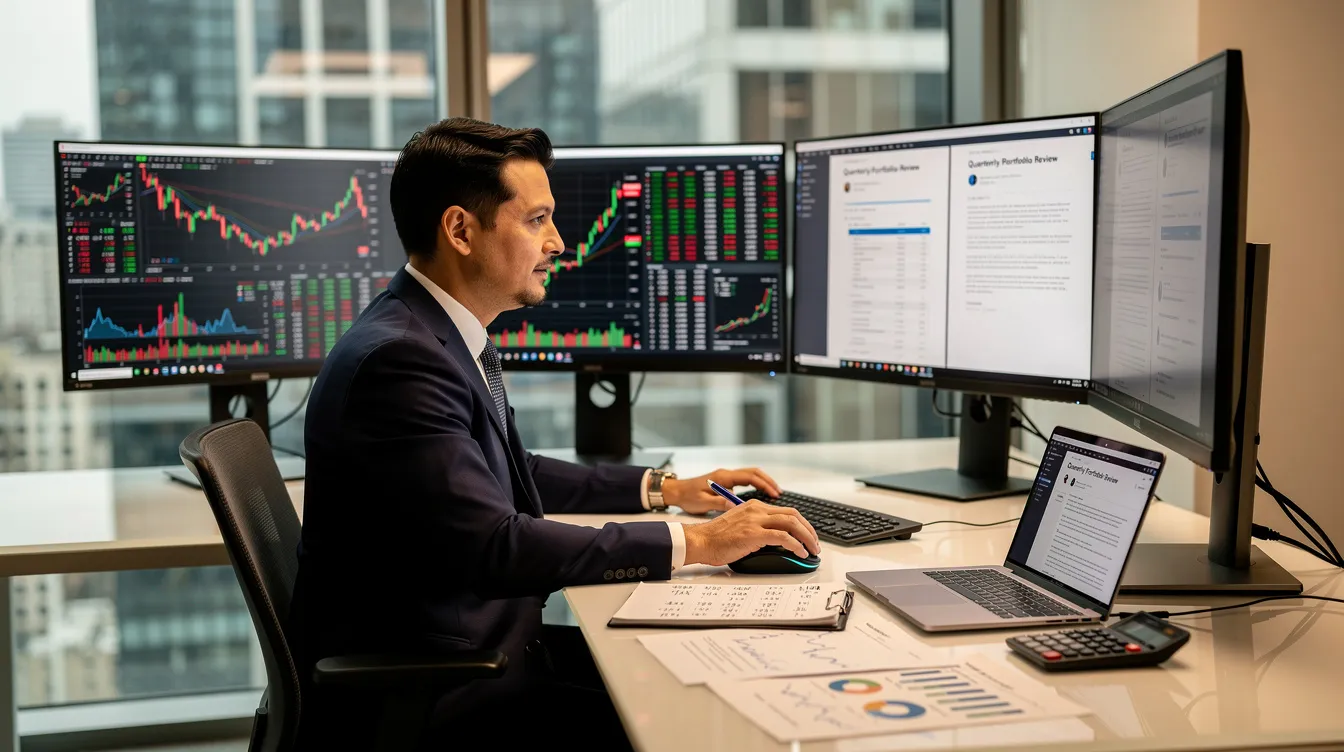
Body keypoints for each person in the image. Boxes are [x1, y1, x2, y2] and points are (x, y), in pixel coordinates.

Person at [289, 117, 820, 749]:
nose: (560, 242)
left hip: (476, 653)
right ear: (460, 230)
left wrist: (668, 490)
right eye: (537, 220)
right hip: (445, 696)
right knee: (709, 721)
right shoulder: (401, 361)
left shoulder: (424, 330)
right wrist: (697, 543)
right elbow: (496, 547)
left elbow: (515, 474)